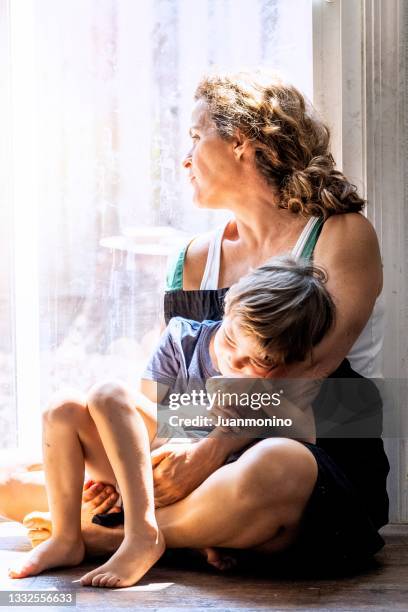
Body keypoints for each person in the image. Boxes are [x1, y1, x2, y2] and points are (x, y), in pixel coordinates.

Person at [0, 70, 389, 575]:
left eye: (195, 136)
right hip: (196, 441)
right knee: (12, 481)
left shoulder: (340, 233)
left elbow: (307, 378)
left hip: (315, 447)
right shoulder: (192, 257)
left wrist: (209, 453)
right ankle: (178, 527)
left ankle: (108, 533)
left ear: (242, 143)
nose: (185, 158)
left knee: (275, 468)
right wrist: (144, 463)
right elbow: (172, 398)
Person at [8, 256, 334, 586]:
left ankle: (142, 536)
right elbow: (140, 417)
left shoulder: (280, 388)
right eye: (231, 339)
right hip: (155, 466)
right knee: (71, 405)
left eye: (259, 360)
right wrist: (116, 479)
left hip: (212, 489)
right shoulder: (182, 339)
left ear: (289, 362)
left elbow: (303, 449)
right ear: (227, 310)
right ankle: (67, 538)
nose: (235, 360)